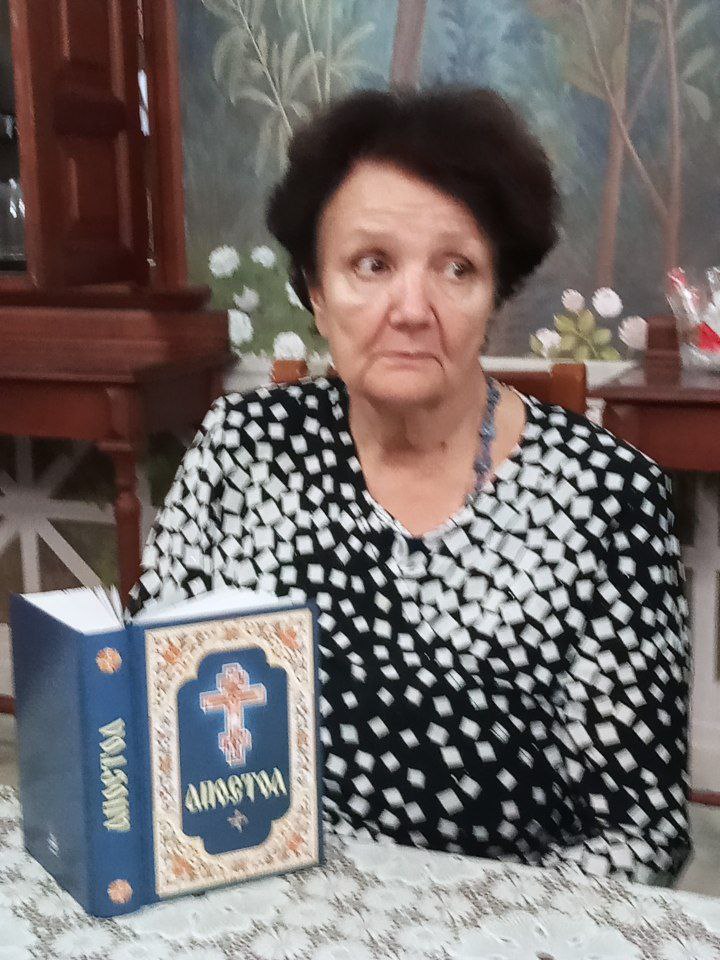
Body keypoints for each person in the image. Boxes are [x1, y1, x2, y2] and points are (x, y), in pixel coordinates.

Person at [126, 87, 692, 885]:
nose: (412, 309)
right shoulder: (241, 447)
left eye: (457, 268)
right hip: (258, 888)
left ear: (495, 294)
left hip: (506, 917)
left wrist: (460, 929)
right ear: (316, 291)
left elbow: (639, 830)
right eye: (372, 264)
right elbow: (150, 701)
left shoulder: (608, 499)